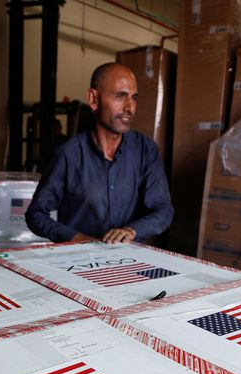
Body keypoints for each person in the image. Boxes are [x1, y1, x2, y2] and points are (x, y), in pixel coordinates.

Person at [25, 62, 173, 244]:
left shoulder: (145, 150)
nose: (130, 108)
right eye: (120, 96)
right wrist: (75, 238)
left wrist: (132, 230)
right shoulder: (69, 155)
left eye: (134, 98)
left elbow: (163, 209)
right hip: (78, 262)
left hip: (127, 260)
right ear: (94, 99)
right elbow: (36, 214)